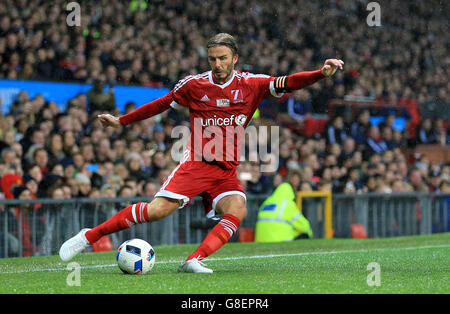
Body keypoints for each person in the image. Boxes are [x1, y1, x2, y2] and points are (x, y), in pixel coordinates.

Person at [59, 33, 344, 273]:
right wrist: (122, 120)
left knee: (237, 208)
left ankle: (194, 260)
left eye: (222, 58)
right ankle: (89, 236)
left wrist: (322, 73)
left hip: (225, 170)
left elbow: (289, 82)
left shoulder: (252, 84)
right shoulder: (194, 85)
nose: (217, 64)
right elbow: (160, 104)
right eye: (212, 59)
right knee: (158, 211)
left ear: (234, 58)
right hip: (198, 162)